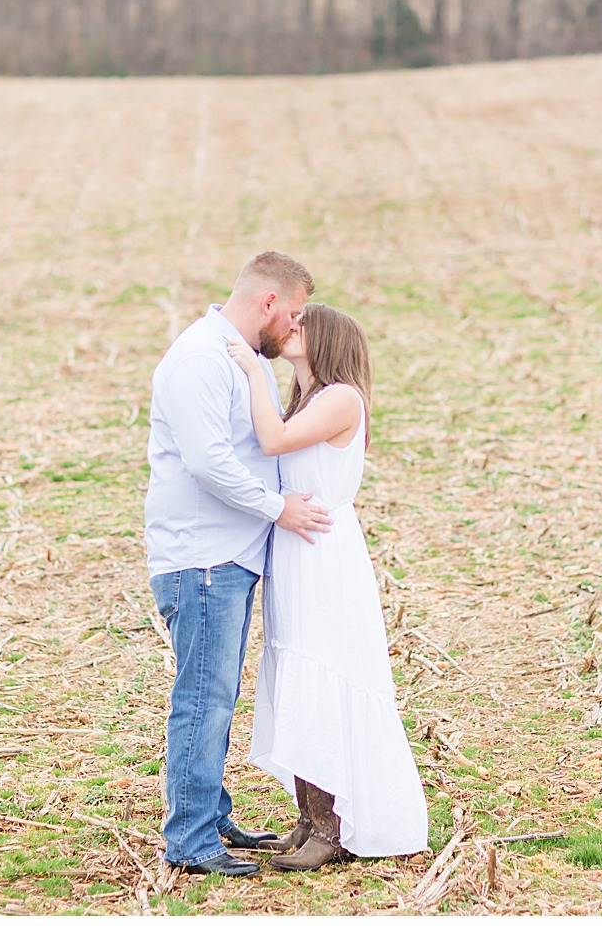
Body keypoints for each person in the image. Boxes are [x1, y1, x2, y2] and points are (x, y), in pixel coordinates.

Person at [144, 252, 335, 877]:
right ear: (269, 304)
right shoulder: (202, 358)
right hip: (202, 556)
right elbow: (208, 462)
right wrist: (279, 507)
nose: (297, 327)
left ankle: (210, 813)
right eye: (297, 313)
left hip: (224, 555)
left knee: (216, 692)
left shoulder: (240, 358)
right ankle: (192, 841)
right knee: (204, 697)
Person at [228, 304, 429, 871]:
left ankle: (332, 828)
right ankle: (309, 820)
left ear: (328, 340)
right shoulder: (309, 396)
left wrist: (250, 371)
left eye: (302, 326)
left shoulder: (341, 396)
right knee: (299, 670)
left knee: (323, 669)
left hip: (324, 549)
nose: (289, 330)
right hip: (296, 546)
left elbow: (273, 441)